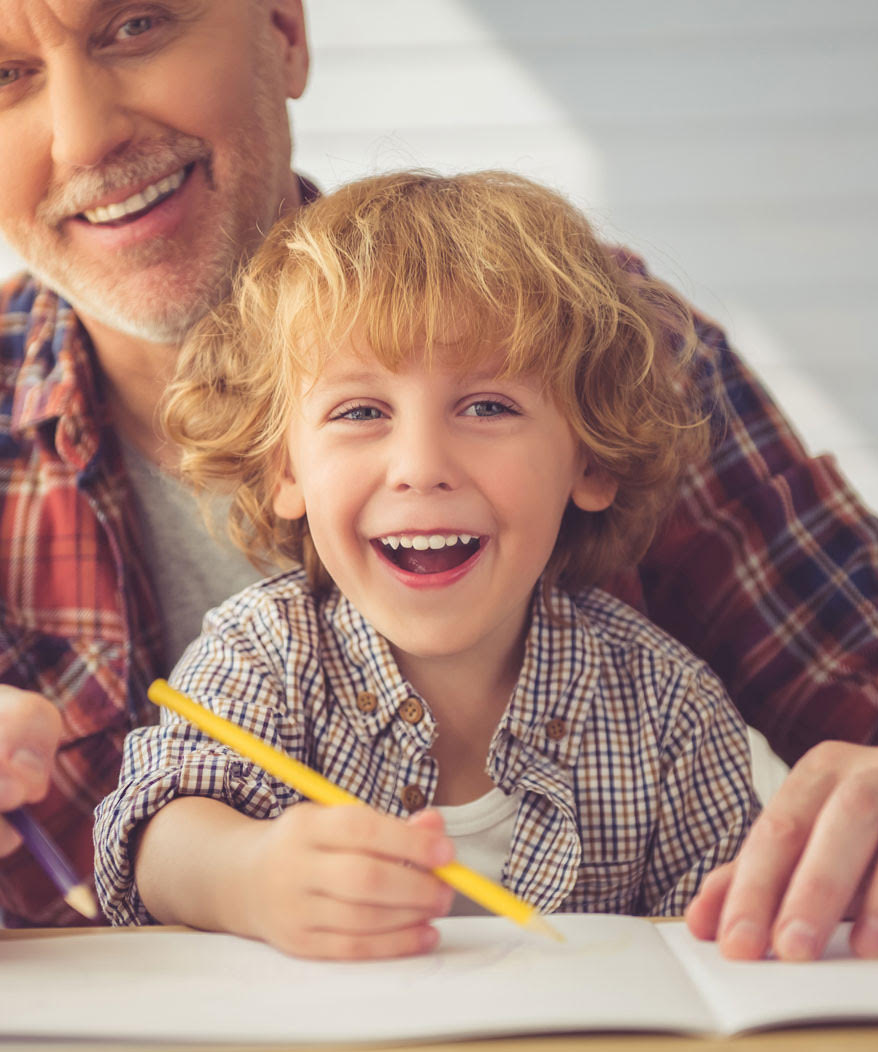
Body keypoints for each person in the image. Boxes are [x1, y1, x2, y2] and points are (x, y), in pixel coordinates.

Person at [0, 0, 878, 965]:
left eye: (136, 25)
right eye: (1, 75)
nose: (82, 133)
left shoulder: (592, 340)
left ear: (285, 31)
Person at [92, 169, 758, 958]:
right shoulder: (262, 657)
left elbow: (722, 956)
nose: (420, 465)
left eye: (487, 407)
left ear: (592, 459)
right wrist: (252, 875)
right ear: (286, 470)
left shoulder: (671, 713)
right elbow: (151, 835)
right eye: (361, 411)